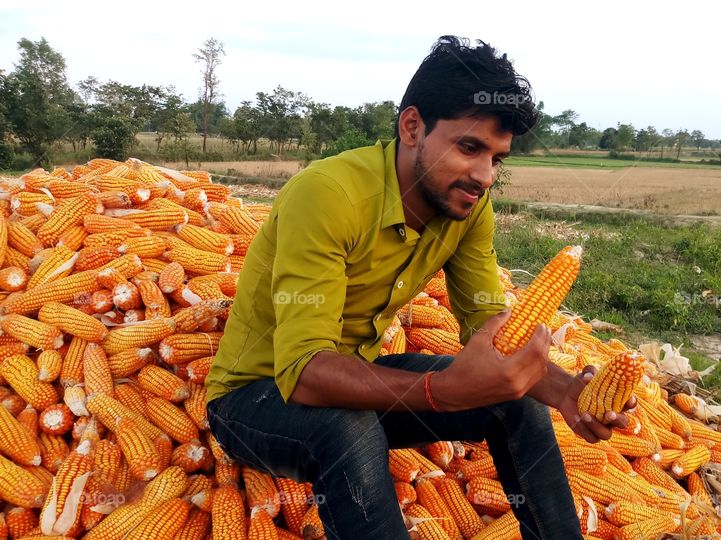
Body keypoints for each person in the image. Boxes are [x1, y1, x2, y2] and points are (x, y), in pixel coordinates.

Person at [205, 35, 634, 539]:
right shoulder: (328, 195)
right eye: (469, 147)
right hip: (254, 398)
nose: (483, 176)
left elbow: (497, 336)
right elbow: (303, 374)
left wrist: (566, 392)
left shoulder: (467, 207)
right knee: (348, 430)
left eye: (497, 158)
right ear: (412, 127)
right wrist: (444, 390)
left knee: (515, 401)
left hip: (353, 379)